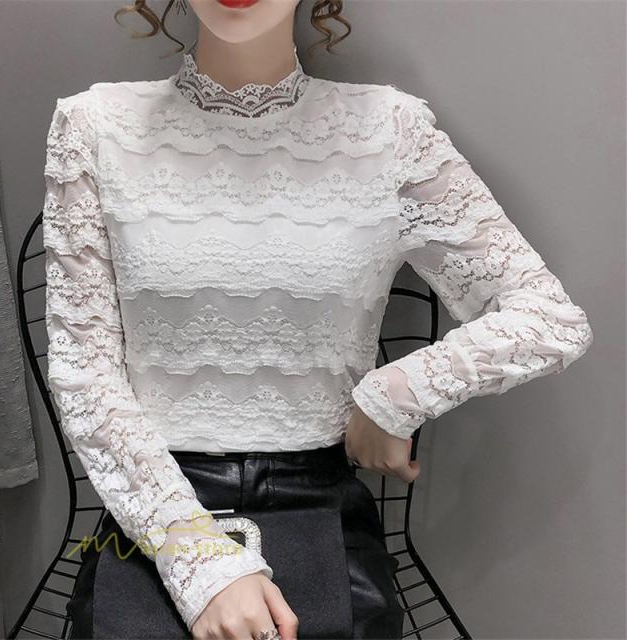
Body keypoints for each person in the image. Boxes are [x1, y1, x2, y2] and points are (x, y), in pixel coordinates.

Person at [41, 0, 594, 639]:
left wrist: (396, 394)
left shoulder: (390, 130)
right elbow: (84, 374)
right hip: (154, 518)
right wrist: (202, 564)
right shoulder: (93, 126)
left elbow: (549, 317)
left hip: (324, 510)